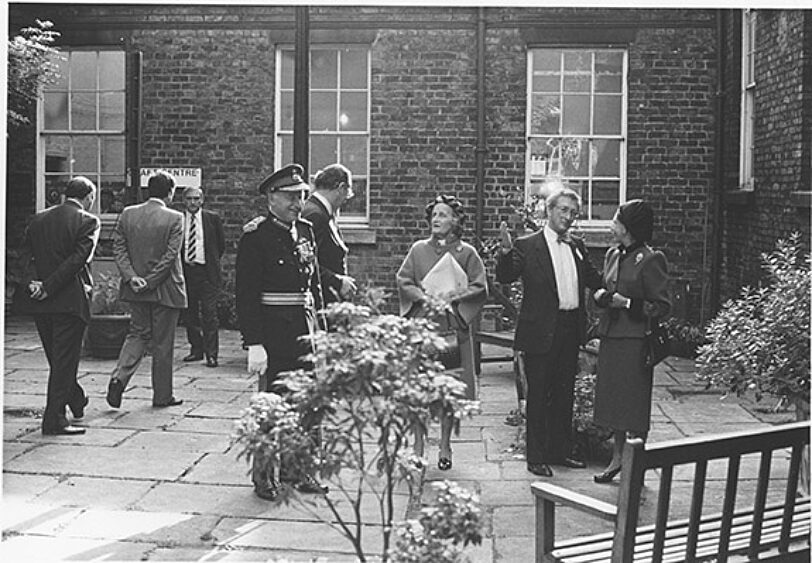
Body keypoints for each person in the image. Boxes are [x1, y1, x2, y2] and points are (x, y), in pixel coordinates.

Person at [495, 186, 602, 478]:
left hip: (570, 328)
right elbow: (506, 276)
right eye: (563, 210)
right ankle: (536, 457)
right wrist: (505, 253)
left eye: (573, 213)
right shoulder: (527, 245)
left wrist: (615, 293)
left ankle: (560, 451)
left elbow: (595, 279)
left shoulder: (577, 245)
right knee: (539, 395)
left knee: (565, 392)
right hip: (540, 330)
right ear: (549, 211)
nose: (568, 217)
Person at [236, 163, 326, 501]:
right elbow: (245, 294)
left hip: (306, 329)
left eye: (301, 196)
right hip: (273, 331)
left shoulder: (305, 230)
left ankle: (299, 470)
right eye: (289, 196)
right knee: (271, 406)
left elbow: (313, 284)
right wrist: (254, 343)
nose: (297, 203)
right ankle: (264, 476)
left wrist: (323, 330)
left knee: (308, 404)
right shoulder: (256, 237)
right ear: (271, 198)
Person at [396, 194, 487, 471]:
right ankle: (418, 446)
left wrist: (455, 297)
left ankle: (445, 444)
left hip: (451, 327)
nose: (437, 220)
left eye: (444, 215)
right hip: (422, 327)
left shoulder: (467, 253)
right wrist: (422, 297)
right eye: (434, 215)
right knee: (419, 390)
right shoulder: (418, 250)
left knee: (447, 390)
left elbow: (480, 286)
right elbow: (403, 280)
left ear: (456, 220)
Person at [591, 199, 670, 483]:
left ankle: (636, 461)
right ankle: (616, 459)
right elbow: (605, 285)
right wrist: (601, 297)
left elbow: (661, 305)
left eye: (616, 220)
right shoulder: (612, 254)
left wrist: (628, 304)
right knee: (614, 402)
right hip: (612, 336)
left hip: (636, 341)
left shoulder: (651, 259)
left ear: (629, 227)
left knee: (633, 404)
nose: (612, 225)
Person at [15, 177, 100, 435]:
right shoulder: (88, 221)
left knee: (57, 358)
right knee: (64, 361)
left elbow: (23, 257)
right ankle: (54, 420)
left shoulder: (37, 219)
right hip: (68, 302)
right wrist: (49, 286)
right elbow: (77, 261)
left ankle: (75, 399)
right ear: (89, 197)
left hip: (40, 302)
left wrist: (33, 284)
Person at [106, 170, 187, 409]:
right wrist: (150, 281)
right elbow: (171, 256)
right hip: (166, 289)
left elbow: (118, 250)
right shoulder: (175, 218)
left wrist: (133, 278)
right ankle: (162, 396)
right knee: (163, 343)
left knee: (137, 334)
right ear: (170, 192)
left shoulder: (127, 214)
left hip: (136, 289)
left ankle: (118, 378)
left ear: (147, 190)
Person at [180, 186, 225, 367]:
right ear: (184, 200)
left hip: (206, 272)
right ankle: (196, 349)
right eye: (189, 199)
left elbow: (220, 245)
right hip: (186, 272)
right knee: (189, 314)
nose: (193, 202)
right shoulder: (178, 219)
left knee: (209, 313)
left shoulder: (212, 219)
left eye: (196, 198)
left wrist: (209, 263)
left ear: (202, 200)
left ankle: (211, 354)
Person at [302, 163, 357, 305]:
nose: (346, 199)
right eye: (347, 194)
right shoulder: (315, 215)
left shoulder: (321, 213)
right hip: (321, 302)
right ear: (341, 188)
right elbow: (305, 262)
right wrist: (338, 282)